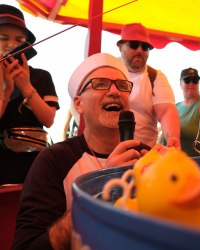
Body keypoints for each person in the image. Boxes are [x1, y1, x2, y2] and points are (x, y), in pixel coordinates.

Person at [13, 53, 146, 250]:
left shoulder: (147, 157)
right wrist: (103, 191)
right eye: (100, 83)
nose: (114, 91)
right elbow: (27, 246)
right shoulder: (54, 161)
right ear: (78, 104)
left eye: (122, 85)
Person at [0, 4, 59, 184]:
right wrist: (6, 90)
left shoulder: (42, 76)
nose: (12, 44)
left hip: (35, 164)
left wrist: (25, 86)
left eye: (19, 39)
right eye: (3, 38)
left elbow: (48, 119)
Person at [117, 23, 180, 148]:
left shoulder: (155, 77)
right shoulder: (107, 69)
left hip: (142, 157)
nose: (139, 50)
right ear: (120, 46)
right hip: (105, 154)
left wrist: (173, 137)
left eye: (145, 47)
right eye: (134, 45)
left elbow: (166, 110)